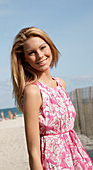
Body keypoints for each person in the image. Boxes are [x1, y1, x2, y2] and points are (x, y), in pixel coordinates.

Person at [11, 26, 93, 169]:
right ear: (24, 59)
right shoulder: (33, 91)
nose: (40, 55)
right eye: (32, 53)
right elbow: (33, 152)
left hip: (77, 158)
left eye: (42, 48)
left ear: (50, 46)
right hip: (54, 163)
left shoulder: (61, 84)